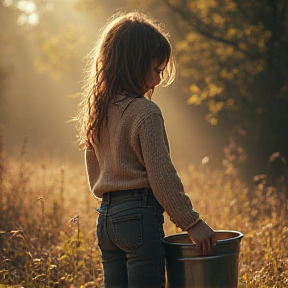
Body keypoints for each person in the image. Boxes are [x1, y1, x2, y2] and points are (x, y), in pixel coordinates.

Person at [76, 10, 216, 288]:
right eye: (155, 69)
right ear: (134, 64)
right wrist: (192, 223)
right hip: (139, 216)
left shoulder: (99, 112)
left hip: (105, 218)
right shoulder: (145, 112)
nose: (158, 80)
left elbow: (94, 169)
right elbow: (162, 178)